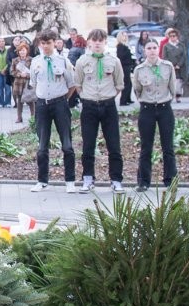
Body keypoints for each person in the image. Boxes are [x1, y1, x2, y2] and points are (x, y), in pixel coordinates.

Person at [73, 30, 124, 192]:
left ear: (105, 42)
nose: (97, 43)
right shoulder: (82, 61)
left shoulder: (114, 61)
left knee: (114, 145)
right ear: (88, 42)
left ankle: (116, 179)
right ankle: (88, 178)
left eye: (100, 40)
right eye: (94, 40)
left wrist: (107, 97)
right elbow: (78, 84)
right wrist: (86, 97)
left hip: (108, 106)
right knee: (88, 144)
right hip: (89, 107)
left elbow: (119, 84)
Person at [28, 31, 77, 192]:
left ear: (54, 43)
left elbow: (71, 85)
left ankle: (70, 181)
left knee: (67, 144)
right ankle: (42, 180)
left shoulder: (63, 61)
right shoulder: (35, 62)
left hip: (60, 104)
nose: (45, 46)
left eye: (48, 42)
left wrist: (62, 99)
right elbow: (34, 83)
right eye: (42, 43)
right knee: (42, 145)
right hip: (42, 104)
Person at [131, 39, 177, 192]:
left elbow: (172, 87)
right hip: (147, 109)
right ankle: (143, 181)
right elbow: (137, 89)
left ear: (159, 49)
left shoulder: (167, 66)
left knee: (168, 147)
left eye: (154, 48)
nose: (151, 51)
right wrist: (147, 101)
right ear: (144, 51)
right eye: (148, 48)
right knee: (146, 147)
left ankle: (170, 180)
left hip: (164, 108)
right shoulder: (139, 69)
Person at [160, 29, 188, 101]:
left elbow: (184, 56)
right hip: (170, 67)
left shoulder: (181, 45)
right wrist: (171, 65)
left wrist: (179, 64)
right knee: (171, 82)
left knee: (179, 82)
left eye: (174, 36)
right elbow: (164, 57)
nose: (172, 37)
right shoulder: (166, 46)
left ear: (177, 36)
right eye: (171, 36)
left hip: (180, 67)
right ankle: (171, 96)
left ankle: (178, 97)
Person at [11, 42, 33, 124]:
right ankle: (19, 117)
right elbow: (12, 72)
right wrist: (19, 74)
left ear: (27, 51)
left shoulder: (31, 60)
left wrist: (27, 75)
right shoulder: (15, 60)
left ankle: (33, 117)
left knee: (31, 101)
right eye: (20, 50)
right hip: (18, 83)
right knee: (19, 101)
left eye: (23, 50)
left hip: (28, 83)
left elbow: (34, 72)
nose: (22, 52)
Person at [115, 31, 136, 106]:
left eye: (126, 35)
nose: (125, 37)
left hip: (128, 65)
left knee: (129, 84)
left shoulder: (126, 45)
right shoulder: (120, 46)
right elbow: (121, 57)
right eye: (123, 36)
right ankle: (123, 101)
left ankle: (128, 99)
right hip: (124, 66)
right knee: (126, 84)